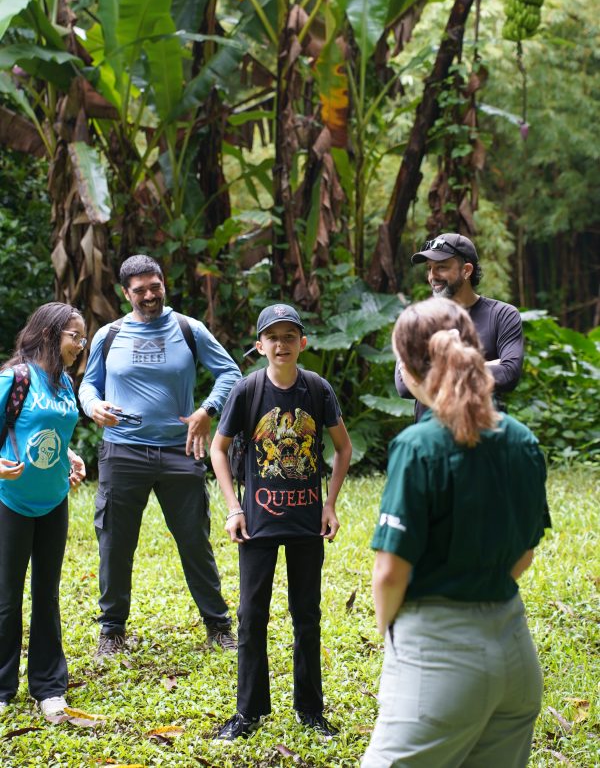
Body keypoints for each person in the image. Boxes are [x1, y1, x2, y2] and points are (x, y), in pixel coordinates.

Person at [362, 297, 550, 768]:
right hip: (515, 653)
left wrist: (392, 637)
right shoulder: (522, 439)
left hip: (438, 658)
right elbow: (524, 554)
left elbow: (390, 572)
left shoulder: (417, 446)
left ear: (408, 367)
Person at [78, 255, 242, 658]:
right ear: (125, 293)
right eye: (140, 290)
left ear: (163, 283)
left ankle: (218, 625)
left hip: (179, 450)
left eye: (156, 286)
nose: (150, 295)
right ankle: (112, 630)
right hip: (122, 451)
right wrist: (93, 406)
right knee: (115, 542)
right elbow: (87, 385)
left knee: (194, 539)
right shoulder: (109, 335)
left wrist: (207, 411)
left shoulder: (189, 328)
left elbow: (231, 373)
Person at [210, 304, 352, 741]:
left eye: (290, 336)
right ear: (260, 346)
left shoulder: (317, 390)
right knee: (252, 616)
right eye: (273, 337)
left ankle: (311, 711)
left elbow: (342, 449)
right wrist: (234, 508)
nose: (281, 344)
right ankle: (248, 713)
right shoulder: (248, 390)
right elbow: (218, 449)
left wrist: (329, 505)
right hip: (257, 523)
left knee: (306, 615)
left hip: (308, 521)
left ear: (302, 343)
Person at [0, 303, 86, 720]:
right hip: (9, 502)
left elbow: (51, 429)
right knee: (5, 597)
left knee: (46, 596)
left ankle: (50, 689)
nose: (80, 345)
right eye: (76, 336)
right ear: (51, 334)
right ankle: (2, 689)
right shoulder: (13, 378)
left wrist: (70, 455)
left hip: (54, 501)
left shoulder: (65, 383)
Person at [397, 233, 524, 420]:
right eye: (429, 268)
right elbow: (404, 386)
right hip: (432, 439)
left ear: (466, 270)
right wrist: (483, 365)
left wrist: (430, 372)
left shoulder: (502, 315)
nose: (433, 277)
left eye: (441, 267)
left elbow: (508, 375)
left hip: (485, 437)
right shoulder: (418, 319)